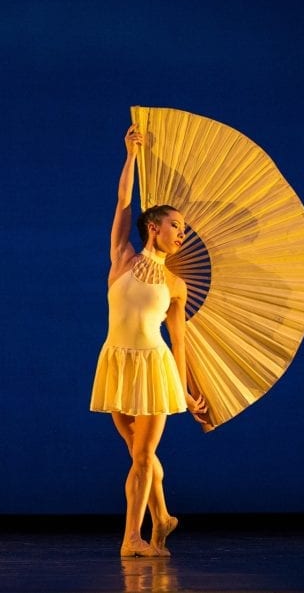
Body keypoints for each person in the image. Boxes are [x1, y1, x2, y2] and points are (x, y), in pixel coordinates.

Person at [90, 124, 207, 558]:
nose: (182, 233)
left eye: (184, 228)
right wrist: (131, 155)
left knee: (142, 456)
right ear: (153, 227)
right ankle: (161, 517)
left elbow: (179, 342)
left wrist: (184, 390)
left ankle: (131, 540)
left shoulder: (177, 285)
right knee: (136, 451)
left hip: (155, 368)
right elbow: (123, 202)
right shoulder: (122, 257)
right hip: (117, 361)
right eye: (176, 225)